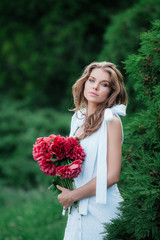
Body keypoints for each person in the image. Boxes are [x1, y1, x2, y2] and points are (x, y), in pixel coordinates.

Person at [57, 61, 128, 240]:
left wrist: (72, 195)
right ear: (84, 82)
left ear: (111, 92)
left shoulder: (112, 121)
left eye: (104, 84)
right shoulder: (77, 117)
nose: (95, 87)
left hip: (102, 212)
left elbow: (112, 176)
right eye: (92, 80)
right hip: (77, 209)